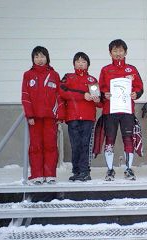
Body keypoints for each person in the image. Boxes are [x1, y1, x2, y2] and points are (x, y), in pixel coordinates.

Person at [99, 39, 144, 181]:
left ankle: (128, 169)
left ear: (125, 52)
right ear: (110, 53)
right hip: (110, 111)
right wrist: (104, 94)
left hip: (127, 110)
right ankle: (110, 170)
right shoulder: (105, 70)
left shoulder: (132, 69)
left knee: (128, 139)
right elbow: (100, 88)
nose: (118, 53)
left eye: (120, 51)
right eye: (115, 51)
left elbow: (139, 87)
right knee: (109, 140)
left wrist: (136, 94)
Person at [21, 46, 64, 184]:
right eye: (36, 56)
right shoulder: (28, 75)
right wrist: (30, 115)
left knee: (51, 146)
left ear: (47, 58)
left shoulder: (54, 75)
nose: (40, 59)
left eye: (42, 56)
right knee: (36, 146)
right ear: (33, 59)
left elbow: (59, 96)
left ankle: (50, 174)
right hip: (35, 118)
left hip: (50, 118)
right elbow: (25, 96)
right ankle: (37, 175)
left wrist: (59, 115)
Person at [60, 52, 100, 181]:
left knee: (85, 144)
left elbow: (98, 102)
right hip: (73, 117)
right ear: (74, 64)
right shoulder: (68, 77)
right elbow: (62, 92)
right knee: (75, 144)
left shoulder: (92, 80)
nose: (80, 63)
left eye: (83, 61)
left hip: (88, 117)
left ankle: (85, 171)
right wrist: (83, 95)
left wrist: (97, 99)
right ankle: (76, 171)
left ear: (88, 64)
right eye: (78, 61)